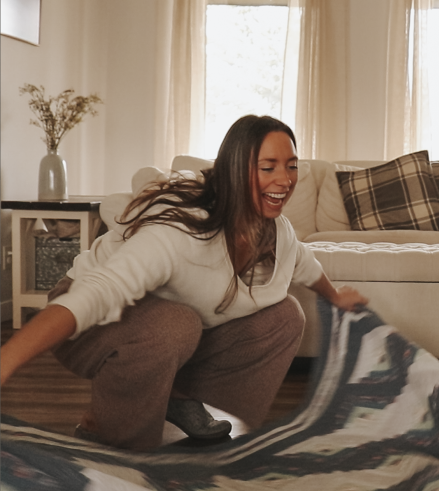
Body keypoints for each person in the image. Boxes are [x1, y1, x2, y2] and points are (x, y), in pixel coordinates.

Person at [0, 115, 368, 450]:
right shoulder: (181, 231)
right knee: (176, 324)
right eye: (268, 167)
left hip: (164, 327)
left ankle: (176, 396)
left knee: (287, 316)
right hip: (87, 319)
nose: (284, 180)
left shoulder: (276, 232)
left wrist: (335, 297)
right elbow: (95, 294)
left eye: (291, 166)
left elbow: (304, 263)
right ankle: (114, 438)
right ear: (236, 170)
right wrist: (6, 361)